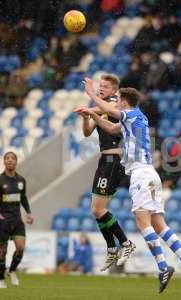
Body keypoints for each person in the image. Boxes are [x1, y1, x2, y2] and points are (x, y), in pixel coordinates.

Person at [77, 81, 181, 293]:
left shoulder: (132, 113)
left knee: (143, 224)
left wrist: (91, 96)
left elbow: (109, 110)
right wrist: (92, 115)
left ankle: (163, 267)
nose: (118, 105)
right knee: (159, 224)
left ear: (124, 102)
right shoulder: (135, 118)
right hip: (150, 174)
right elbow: (111, 126)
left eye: (120, 102)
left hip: (141, 175)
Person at [78, 74, 135, 271]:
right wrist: (86, 118)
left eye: (105, 86)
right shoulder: (102, 108)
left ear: (114, 91)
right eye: (99, 86)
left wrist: (91, 96)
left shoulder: (114, 104)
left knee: (99, 209)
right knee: (96, 209)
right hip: (104, 160)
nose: (101, 88)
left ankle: (125, 243)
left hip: (113, 161)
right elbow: (87, 132)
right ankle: (112, 248)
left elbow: (104, 110)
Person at [0, 151, 34, 288]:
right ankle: (0, 279)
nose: (10, 160)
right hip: (2, 221)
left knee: (20, 247)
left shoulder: (21, 180)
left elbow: (23, 198)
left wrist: (29, 213)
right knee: (3, 251)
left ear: (16, 162)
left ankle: (12, 270)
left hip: (17, 220)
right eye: (7, 158)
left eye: (12, 158)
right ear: (4, 162)